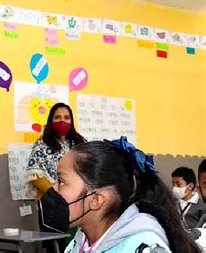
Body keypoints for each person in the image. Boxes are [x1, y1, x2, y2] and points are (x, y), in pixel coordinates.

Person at [40, 136, 201, 252]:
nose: (53, 188)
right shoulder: (80, 241)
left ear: (96, 199)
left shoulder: (144, 246)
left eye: (61, 181)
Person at [25, 102, 86, 251]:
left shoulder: (80, 144)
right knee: (56, 247)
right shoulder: (42, 144)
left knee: (79, 244)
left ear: (72, 121)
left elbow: (89, 172)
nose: (62, 121)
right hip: (52, 204)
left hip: (79, 203)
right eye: (57, 117)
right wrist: (56, 195)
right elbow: (35, 174)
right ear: (50, 121)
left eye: (66, 117)